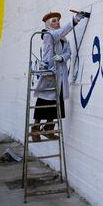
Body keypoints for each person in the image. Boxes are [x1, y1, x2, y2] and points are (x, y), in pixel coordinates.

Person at [32, 11, 85, 141]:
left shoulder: (64, 40)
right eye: (54, 21)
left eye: (58, 20)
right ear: (49, 24)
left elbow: (68, 53)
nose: (57, 23)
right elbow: (59, 33)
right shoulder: (48, 35)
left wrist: (61, 57)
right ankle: (35, 129)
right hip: (50, 72)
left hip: (60, 75)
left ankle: (49, 128)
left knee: (56, 102)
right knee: (44, 101)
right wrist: (74, 21)